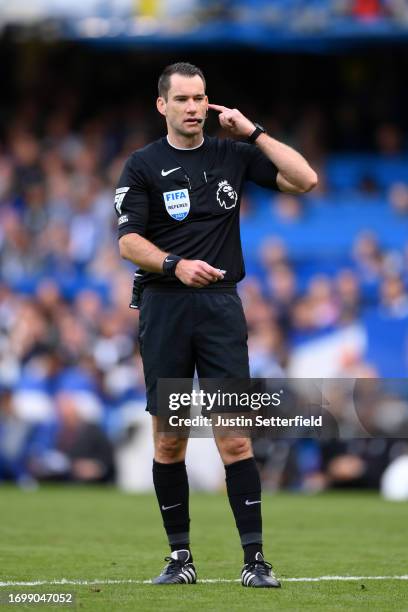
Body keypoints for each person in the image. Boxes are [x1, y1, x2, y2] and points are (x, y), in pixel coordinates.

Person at [115, 62, 317, 588]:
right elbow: (127, 241)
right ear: (162, 105)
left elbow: (305, 179)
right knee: (169, 440)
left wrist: (254, 131)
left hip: (221, 309)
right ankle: (180, 559)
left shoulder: (231, 154)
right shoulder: (141, 165)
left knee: (234, 437)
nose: (193, 107)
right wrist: (174, 264)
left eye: (200, 98)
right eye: (182, 99)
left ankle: (255, 561)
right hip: (165, 307)